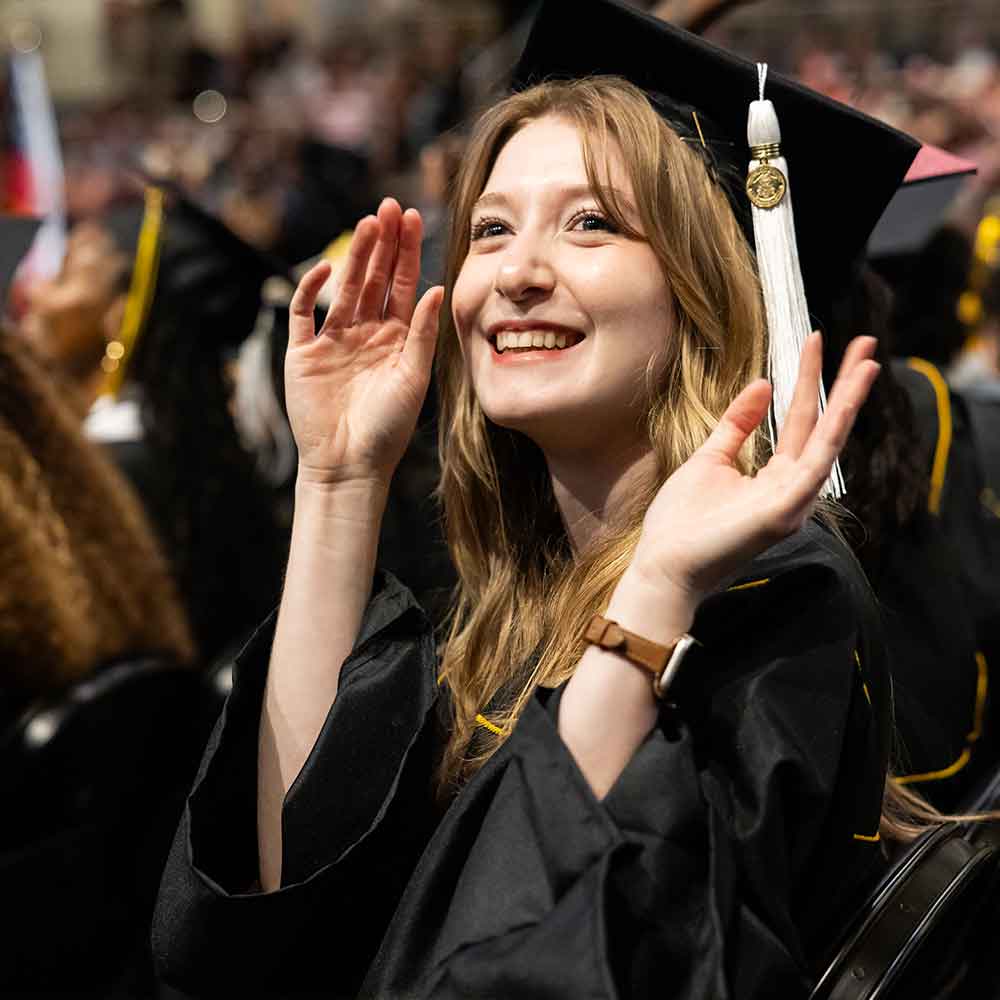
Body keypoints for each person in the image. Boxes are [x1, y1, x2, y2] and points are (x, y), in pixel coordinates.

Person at [153, 1, 936, 995]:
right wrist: (339, 478)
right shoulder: (512, 594)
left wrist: (650, 594)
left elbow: (527, 968)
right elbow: (280, 911)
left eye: (590, 223)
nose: (516, 272)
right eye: (488, 229)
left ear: (700, 288)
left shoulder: (764, 593)